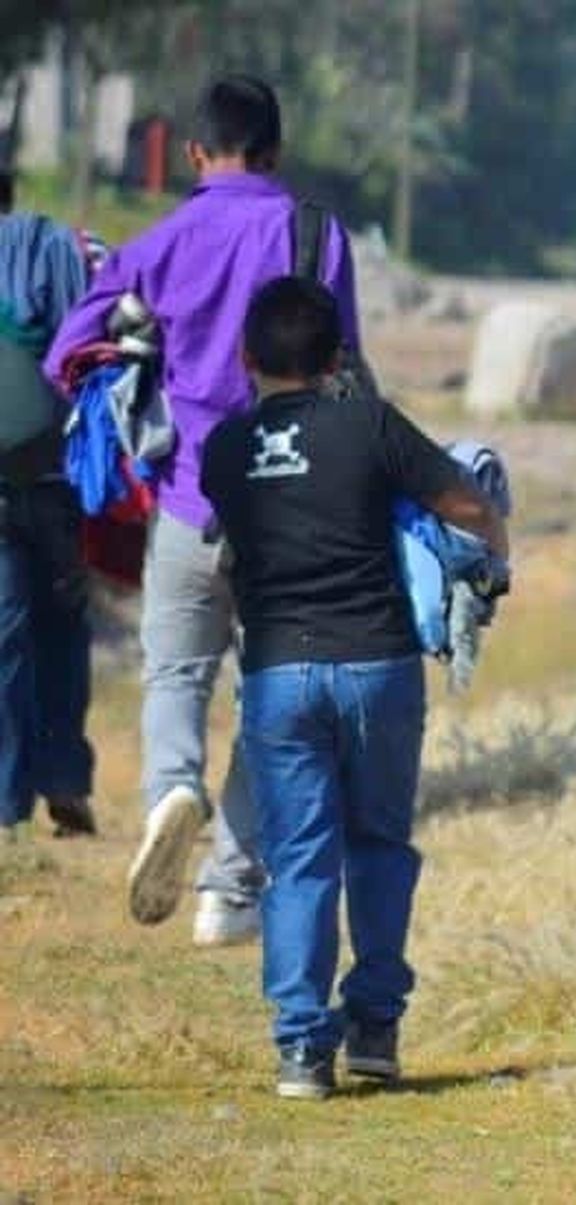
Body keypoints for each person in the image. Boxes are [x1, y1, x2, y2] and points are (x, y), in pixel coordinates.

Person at [46, 75, 363, 945]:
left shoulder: (161, 240)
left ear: (194, 153)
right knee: (274, 697)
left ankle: (170, 791)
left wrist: (142, 348)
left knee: (176, 674)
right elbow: (349, 367)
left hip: (191, 502)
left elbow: (69, 353)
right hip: (293, 515)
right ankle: (229, 887)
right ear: (277, 149)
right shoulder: (316, 234)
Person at [201, 276, 507, 1099]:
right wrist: (494, 554)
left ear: (245, 357)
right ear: (338, 355)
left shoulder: (222, 449)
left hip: (277, 674)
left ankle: (303, 1049)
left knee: (299, 859)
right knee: (378, 844)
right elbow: (464, 502)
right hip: (377, 666)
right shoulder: (369, 424)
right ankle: (374, 1026)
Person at [0, 171, 97, 840]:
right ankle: (61, 775)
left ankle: (7, 801)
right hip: (57, 472)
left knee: (7, 634)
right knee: (61, 624)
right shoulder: (63, 250)